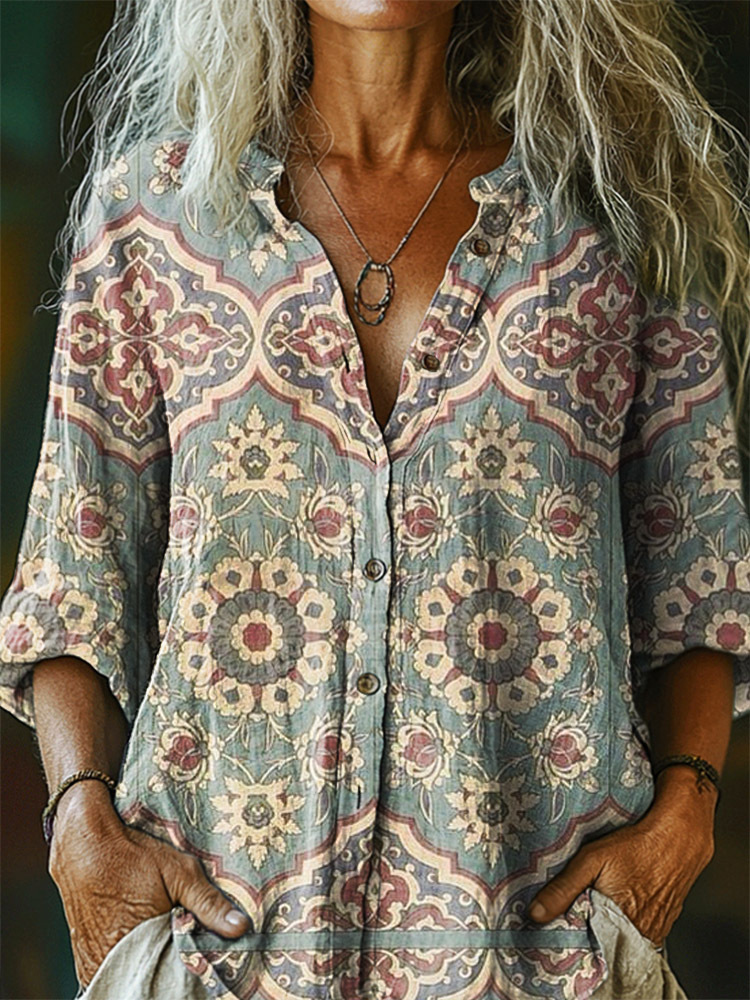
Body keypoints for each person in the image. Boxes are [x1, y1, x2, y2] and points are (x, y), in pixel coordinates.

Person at [1, 1, 749, 998]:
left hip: (538, 955)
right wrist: (80, 820)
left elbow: (697, 574)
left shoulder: (615, 213)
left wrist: (689, 808)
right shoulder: (156, 214)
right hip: (224, 955)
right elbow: (73, 576)